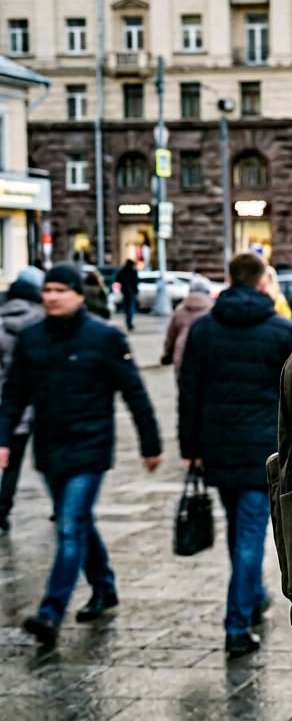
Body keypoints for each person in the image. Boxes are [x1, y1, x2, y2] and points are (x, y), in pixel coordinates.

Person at [0, 264, 162, 646]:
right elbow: (14, 395)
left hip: (90, 447)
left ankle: (51, 612)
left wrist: (150, 443)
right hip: (49, 448)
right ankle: (104, 586)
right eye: (48, 290)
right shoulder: (31, 338)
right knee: (79, 521)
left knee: (70, 524)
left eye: (61, 290)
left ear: (77, 294)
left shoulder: (104, 337)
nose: (52, 297)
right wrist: (3, 439)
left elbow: (134, 392)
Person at [179, 253, 292, 657]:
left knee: (240, 529)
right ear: (263, 283)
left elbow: (189, 393)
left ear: (229, 280)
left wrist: (190, 448)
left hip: (217, 447)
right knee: (249, 535)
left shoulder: (203, 330)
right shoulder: (282, 331)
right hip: (263, 450)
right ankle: (236, 625)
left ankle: (253, 597)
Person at [0, 267, 46, 534]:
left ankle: (2, 509)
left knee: (11, 462)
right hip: (40, 404)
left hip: (9, 405)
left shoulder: (2, 322)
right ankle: (62, 505)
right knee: (50, 460)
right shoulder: (42, 324)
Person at [161, 279, 214, 377]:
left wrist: (167, 355)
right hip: (206, 358)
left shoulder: (180, 310)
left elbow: (171, 337)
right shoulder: (213, 310)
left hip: (182, 357)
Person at [115, 259, 139, 330]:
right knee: (131, 308)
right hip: (130, 292)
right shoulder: (132, 272)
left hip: (126, 292)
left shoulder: (122, 271)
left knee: (128, 308)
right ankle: (129, 322)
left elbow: (117, 280)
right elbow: (136, 281)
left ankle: (129, 322)